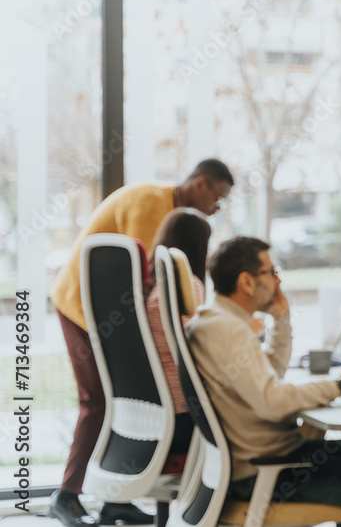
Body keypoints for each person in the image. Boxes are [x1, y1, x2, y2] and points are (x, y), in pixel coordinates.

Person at [186, 236, 341, 527]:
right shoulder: (228, 330)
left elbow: (269, 377)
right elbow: (273, 402)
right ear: (247, 282)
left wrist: (281, 320)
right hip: (267, 472)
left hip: (264, 461)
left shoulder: (214, 321)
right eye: (272, 272)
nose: (278, 282)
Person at [47, 159, 233, 527]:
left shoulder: (166, 203)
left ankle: (117, 500)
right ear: (199, 183)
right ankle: (65, 495)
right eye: (218, 197)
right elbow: (142, 280)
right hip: (81, 306)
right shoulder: (152, 204)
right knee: (99, 400)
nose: (216, 208)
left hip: (105, 312)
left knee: (119, 399)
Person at [143, 208, 212, 459]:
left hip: (156, 419)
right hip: (184, 421)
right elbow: (201, 349)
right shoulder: (185, 285)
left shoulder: (150, 286)